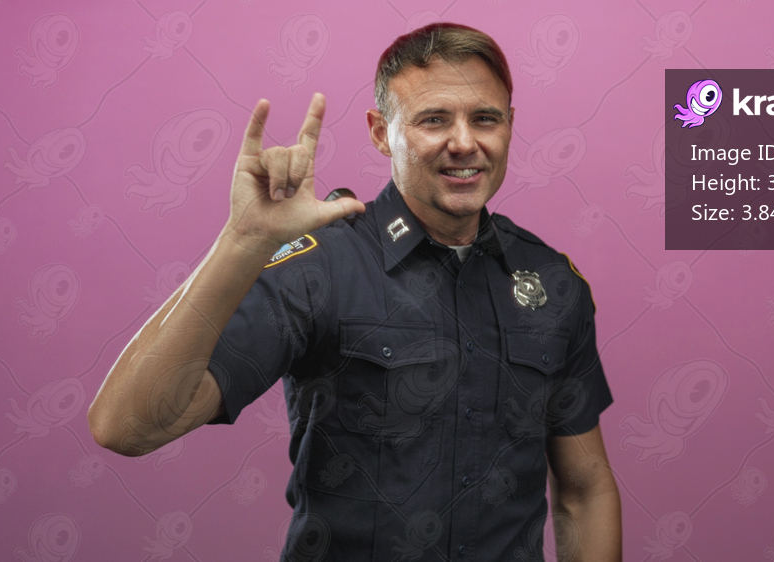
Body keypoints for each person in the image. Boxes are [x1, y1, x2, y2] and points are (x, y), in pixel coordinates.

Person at [89, 23, 620, 561]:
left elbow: (585, 490)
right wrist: (242, 241)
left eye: (485, 118)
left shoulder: (552, 281)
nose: (464, 143)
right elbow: (126, 427)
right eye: (434, 119)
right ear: (381, 132)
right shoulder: (320, 266)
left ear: (509, 125)